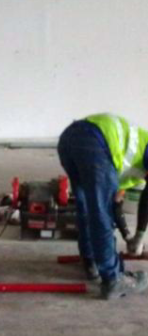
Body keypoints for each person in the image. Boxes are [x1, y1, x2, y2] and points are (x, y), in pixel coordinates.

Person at [58, 113, 148, 299]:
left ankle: (90, 261)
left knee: (87, 207)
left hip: (69, 140)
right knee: (101, 214)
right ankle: (113, 279)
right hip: (96, 142)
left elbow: (116, 203)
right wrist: (139, 235)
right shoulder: (138, 150)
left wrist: (128, 236)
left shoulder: (129, 168)